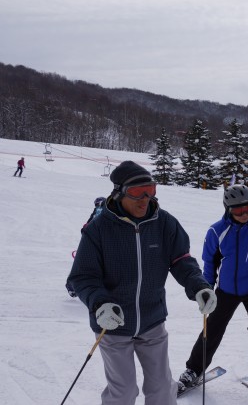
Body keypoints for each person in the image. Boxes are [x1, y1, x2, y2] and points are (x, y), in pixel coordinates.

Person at [68, 161, 215, 405]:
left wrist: (198, 285)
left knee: (161, 389)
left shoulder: (164, 223)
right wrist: (100, 303)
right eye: (137, 192)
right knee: (123, 392)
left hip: (152, 320)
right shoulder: (99, 229)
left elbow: (181, 260)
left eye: (151, 190)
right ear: (119, 192)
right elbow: (83, 277)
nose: (145, 199)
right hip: (112, 323)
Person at [178, 184, 248, 398]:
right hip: (225, 290)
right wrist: (206, 288)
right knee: (212, 329)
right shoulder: (217, 230)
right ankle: (193, 370)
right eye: (238, 210)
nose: (245, 214)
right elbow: (209, 262)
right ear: (227, 209)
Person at [66, 196, 107, 298]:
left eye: (99, 204)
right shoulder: (101, 212)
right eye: (97, 205)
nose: (98, 206)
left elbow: (87, 225)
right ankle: (72, 287)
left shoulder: (103, 212)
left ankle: (73, 287)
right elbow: (88, 225)